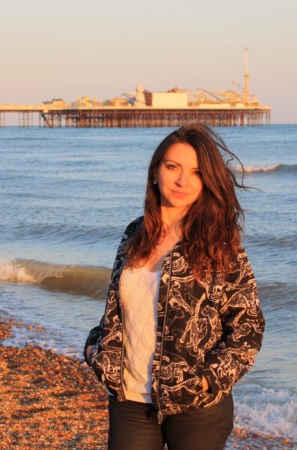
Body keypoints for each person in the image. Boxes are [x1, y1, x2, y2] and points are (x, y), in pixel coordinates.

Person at [84, 123, 265, 450]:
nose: (183, 181)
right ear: (156, 172)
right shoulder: (135, 233)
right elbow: (116, 308)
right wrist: (99, 352)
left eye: (196, 172)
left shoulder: (219, 242)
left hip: (196, 407)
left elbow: (248, 326)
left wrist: (208, 380)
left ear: (207, 181)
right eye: (172, 167)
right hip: (130, 400)